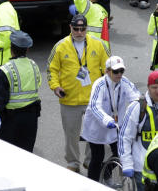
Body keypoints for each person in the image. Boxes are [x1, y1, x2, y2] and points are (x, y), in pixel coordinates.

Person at [48, 14, 112, 172]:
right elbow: (51, 69)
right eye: (76, 29)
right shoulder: (61, 46)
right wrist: (56, 87)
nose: (79, 32)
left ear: (86, 29)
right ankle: (73, 163)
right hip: (69, 99)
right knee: (71, 134)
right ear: (70, 28)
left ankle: (91, 160)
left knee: (94, 133)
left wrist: (107, 90)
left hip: (93, 100)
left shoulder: (99, 45)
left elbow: (109, 69)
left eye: (82, 29)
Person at [81, 56, 139, 181]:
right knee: (97, 157)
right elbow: (94, 106)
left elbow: (136, 99)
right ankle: (92, 183)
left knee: (120, 153)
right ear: (107, 71)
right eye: (116, 71)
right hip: (97, 126)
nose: (119, 74)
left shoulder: (125, 82)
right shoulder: (99, 84)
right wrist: (107, 120)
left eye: (121, 71)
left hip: (116, 125)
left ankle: (106, 172)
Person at [0, 30, 41, 151]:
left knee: (10, 155)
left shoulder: (5, 70)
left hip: (11, 120)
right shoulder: (34, 65)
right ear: (27, 49)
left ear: (11, 48)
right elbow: (37, 84)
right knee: (27, 153)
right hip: (31, 118)